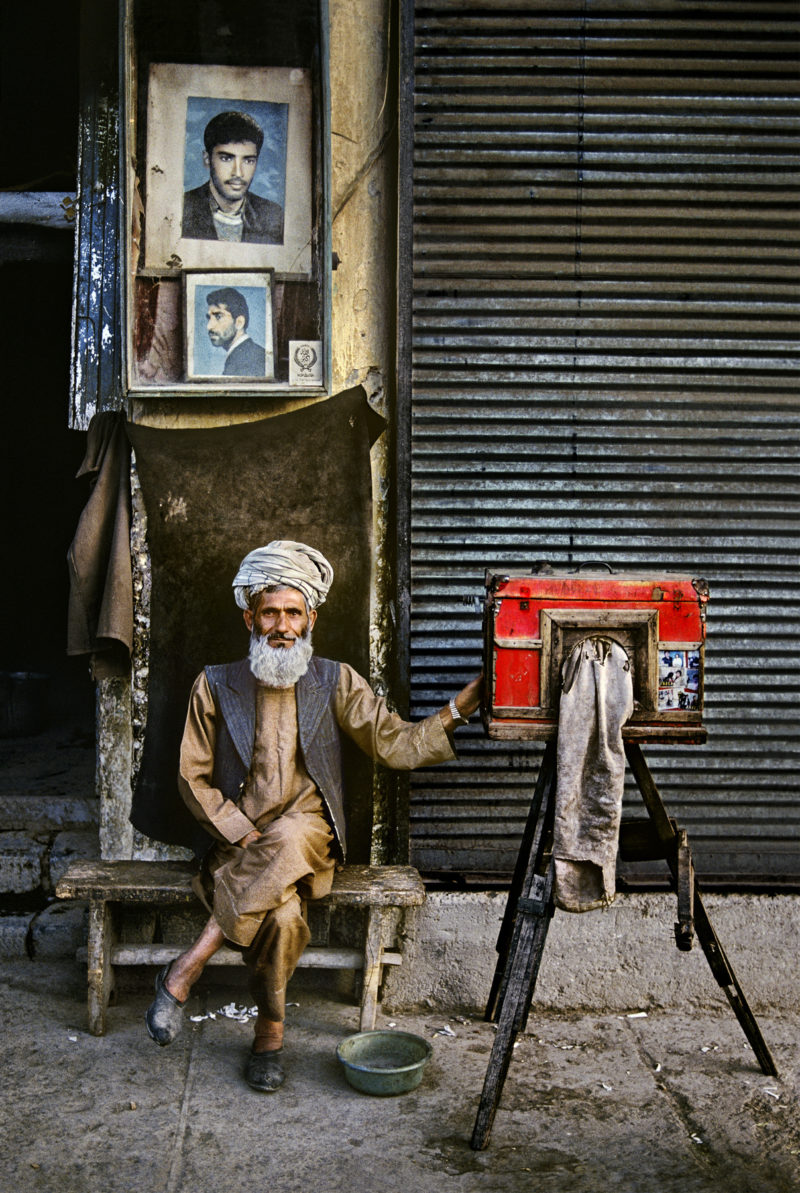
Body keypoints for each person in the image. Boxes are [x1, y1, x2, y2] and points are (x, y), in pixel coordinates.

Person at [145, 540, 482, 1093]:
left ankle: (187, 967)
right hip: (241, 851)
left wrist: (456, 710)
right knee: (280, 920)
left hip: (311, 846)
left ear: (311, 618)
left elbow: (394, 744)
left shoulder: (335, 680)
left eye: (293, 612)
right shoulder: (214, 683)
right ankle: (270, 1037)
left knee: (297, 829)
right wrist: (239, 830)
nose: (282, 625)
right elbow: (191, 777)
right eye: (271, 612)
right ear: (249, 617)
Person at [182, 110, 284, 244]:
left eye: (248, 161)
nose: (238, 173)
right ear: (207, 159)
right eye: (226, 158)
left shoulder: (273, 216)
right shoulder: (182, 208)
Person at [205, 287, 267, 377]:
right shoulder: (248, 355)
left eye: (218, 316)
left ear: (239, 322)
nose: (209, 326)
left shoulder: (248, 362)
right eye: (209, 318)